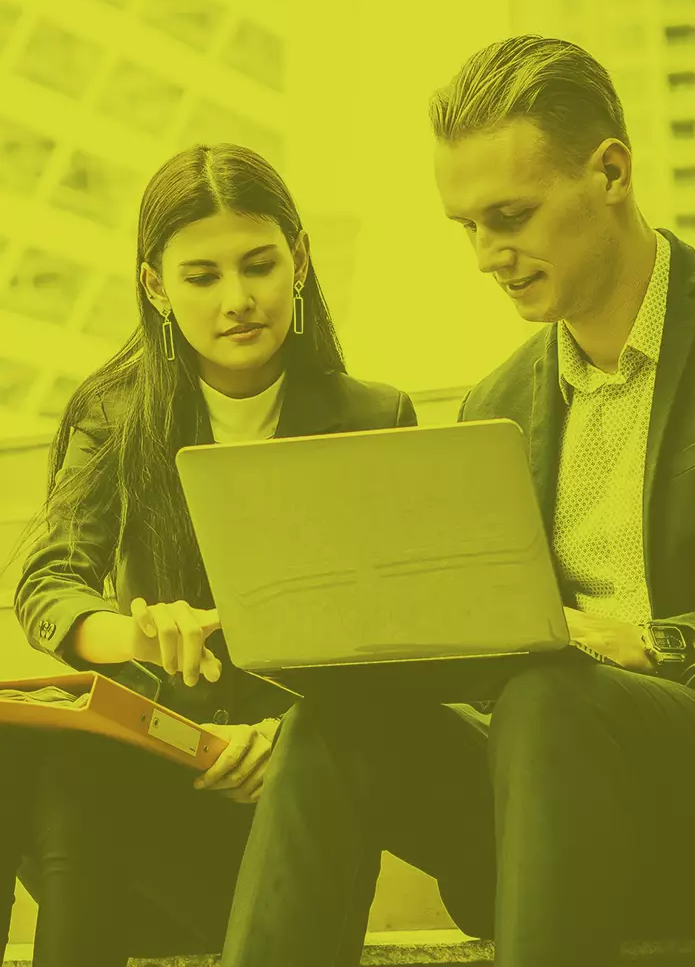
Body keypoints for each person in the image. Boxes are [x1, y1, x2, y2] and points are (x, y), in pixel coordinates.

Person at [217, 36, 695, 967]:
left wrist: (654, 642)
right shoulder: (496, 406)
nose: (486, 255)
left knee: (550, 690)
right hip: (548, 810)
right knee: (332, 726)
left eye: (510, 215)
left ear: (610, 172)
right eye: (465, 226)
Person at [2, 142, 416, 967]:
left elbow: (403, 639)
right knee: (40, 751)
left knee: (70, 780)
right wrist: (138, 633)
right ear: (156, 286)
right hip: (147, 793)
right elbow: (49, 585)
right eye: (202, 277)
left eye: (258, 265)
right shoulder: (118, 417)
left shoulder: (372, 416)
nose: (238, 300)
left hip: (296, 802)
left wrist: (291, 735)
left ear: (297, 262)